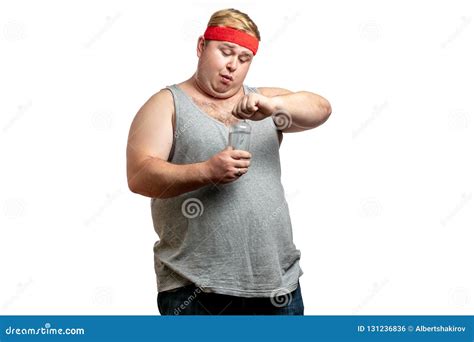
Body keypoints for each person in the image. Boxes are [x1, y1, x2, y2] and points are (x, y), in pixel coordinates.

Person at [126, 8, 331, 315]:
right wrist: (206, 171)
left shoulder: (264, 102)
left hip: (277, 283)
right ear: (201, 47)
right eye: (225, 52)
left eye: (244, 58)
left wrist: (274, 104)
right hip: (195, 287)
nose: (233, 66)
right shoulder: (166, 104)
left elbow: (321, 109)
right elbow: (139, 176)